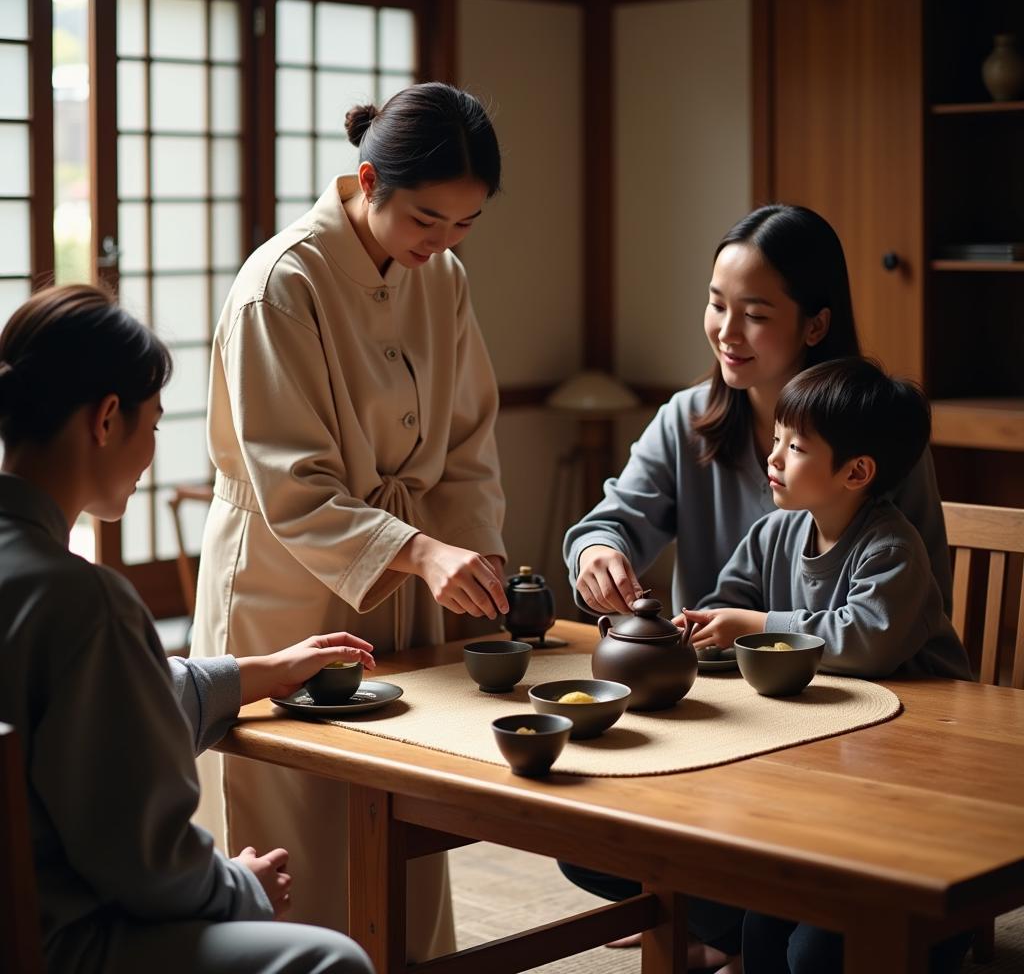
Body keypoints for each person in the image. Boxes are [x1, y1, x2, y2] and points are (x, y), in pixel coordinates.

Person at [559, 204, 954, 973]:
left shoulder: (873, 442)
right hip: (750, 728)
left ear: (815, 325)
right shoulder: (689, 422)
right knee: (588, 835)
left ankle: (749, 925)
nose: (725, 332)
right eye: (716, 304)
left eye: (755, 314)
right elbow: (612, 520)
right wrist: (599, 554)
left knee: (799, 928)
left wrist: (756, 625)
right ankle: (741, 924)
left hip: (870, 729)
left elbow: (892, 620)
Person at [191, 82, 509, 955]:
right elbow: (292, 482)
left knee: (397, 822)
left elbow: (470, 442)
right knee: (295, 830)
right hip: (284, 583)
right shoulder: (281, 284)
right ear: (368, 180)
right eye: (426, 220)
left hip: (397, 578)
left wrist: (473, 566)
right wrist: (419, 551)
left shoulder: (440, 278)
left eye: (463, 225)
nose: (441, 244)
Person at [0, 284, 375, 974]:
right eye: (155, 425)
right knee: (333, 960)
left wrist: (258, 672)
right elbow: (144, 863)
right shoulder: (82, 599)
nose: (151, 452)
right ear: (107, 419)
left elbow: (99, 706)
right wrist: (242, 886)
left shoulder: (36, 582)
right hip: (53, 942)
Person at [681, 357, 970, 973]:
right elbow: (728, 604)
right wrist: (702, 628)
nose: (774, 457)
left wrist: (753, 626)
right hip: (830, 748)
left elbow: (864, 642)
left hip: (916, 767)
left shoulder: (892, 547)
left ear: (856, 472)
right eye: (777, 440)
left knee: (817, 953)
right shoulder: (775, 534)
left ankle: (935, 934)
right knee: (762, 919)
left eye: (795, 447)